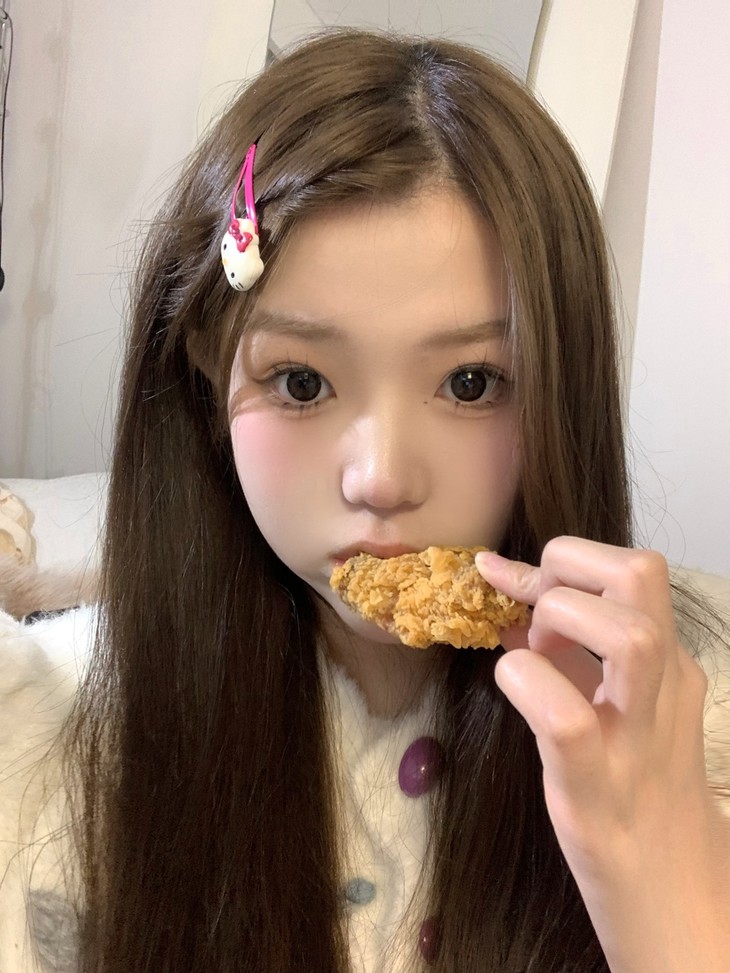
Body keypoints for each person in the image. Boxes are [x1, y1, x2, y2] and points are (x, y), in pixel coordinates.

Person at [0, 27, 728, 973]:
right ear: (209, 368)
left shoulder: (692, 728)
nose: (380, 477)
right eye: (302, 382)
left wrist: (670, 901)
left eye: (471, 382)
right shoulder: (48, 743)